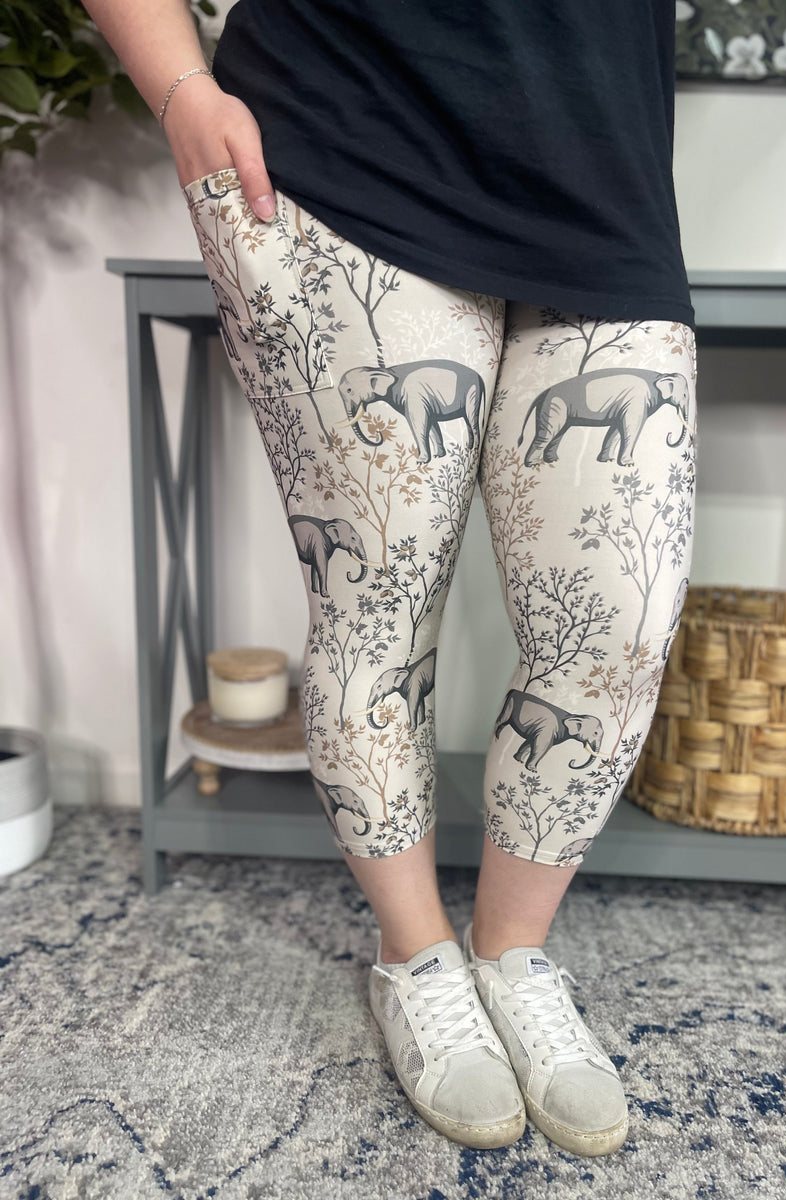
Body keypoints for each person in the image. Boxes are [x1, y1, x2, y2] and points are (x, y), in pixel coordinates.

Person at [84, 0, 697, 1158]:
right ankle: (417, 961)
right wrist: (182, 91)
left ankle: (513, 957)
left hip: (602, 175)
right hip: (345, 155)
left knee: (619, 622)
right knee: (376, 607)